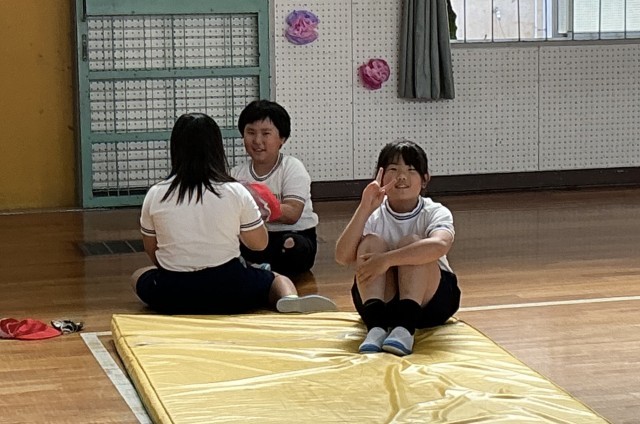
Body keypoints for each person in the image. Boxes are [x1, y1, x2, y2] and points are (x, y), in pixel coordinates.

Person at [131, 112, 336, 315]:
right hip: (229, 291)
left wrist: (177, 271)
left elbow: (152, 249)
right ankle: (289, 300)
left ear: (175, 148)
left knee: (138, 275)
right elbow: (259, 244)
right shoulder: (235, 190)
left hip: (172, 294)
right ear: (216, 148)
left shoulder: (155, 193)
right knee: (277, 279)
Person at [335, 140, 460, 356]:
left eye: (411, 170)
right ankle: (376, 328)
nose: (401, 177)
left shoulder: (435, 211)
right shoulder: (374, 214)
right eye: (393, 169)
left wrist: (387, 260)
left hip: (430, 304)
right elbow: (342, 257)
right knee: (371, 243)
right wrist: (364, 207)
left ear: (424, 179)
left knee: (412, 244)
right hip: (382, 304)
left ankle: (405, 329)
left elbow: (440, 245)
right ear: (381, 176)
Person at [231, 100, 318, 277]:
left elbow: (292, 214)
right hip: (255, 237)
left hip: (293, 234)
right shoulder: (236, 173)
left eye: (266, 134)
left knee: (293, 246)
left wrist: (257, 204)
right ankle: (260, 271)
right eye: (251, 133)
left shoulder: (292, 167)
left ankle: (261, 272)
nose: (257, 141)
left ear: (282, 139)